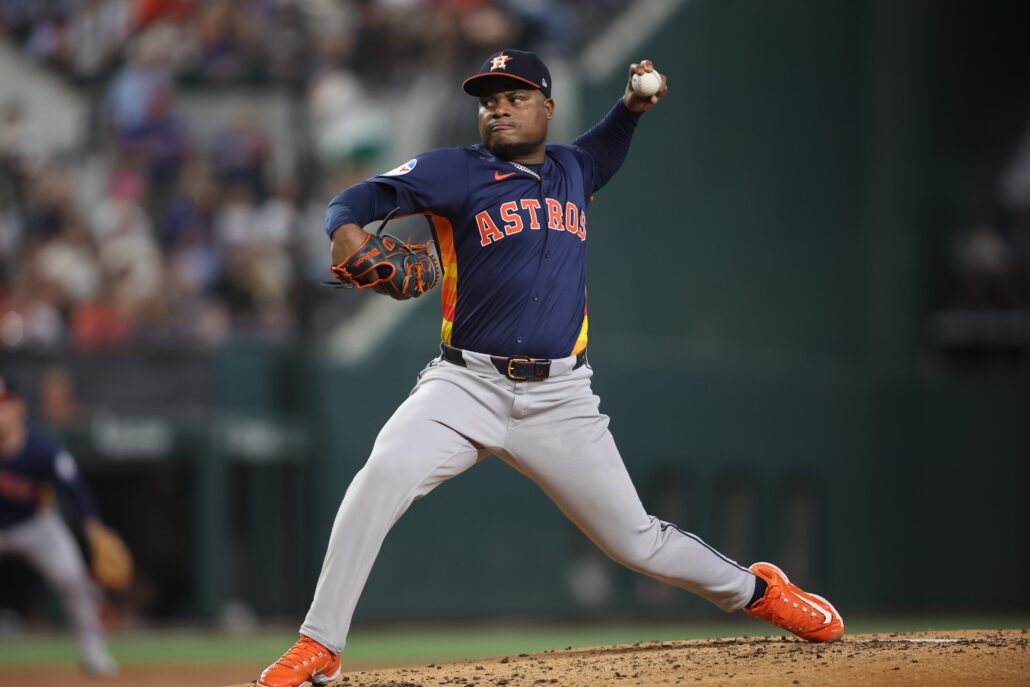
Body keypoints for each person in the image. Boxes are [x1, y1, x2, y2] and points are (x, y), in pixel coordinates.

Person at [256, 50, 844, 687]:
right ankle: (319, 644)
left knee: (636, 541)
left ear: (548, 107)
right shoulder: (454, 170)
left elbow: (611, 143)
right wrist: (343, 227)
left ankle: (758, 591)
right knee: (379, 481)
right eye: (488, 99)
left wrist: (632, 106)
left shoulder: (574, 167)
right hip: (465, 384)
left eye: (514, 96)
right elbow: (358, 197)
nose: (498, 107)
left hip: (561, 396)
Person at [0, 373, 129, 677]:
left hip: (34, 525)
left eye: (3, 403)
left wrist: (93, 528)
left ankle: (93, 653)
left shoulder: (42, 450)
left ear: (18, 408)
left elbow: (75, 488)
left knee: (73, 577)